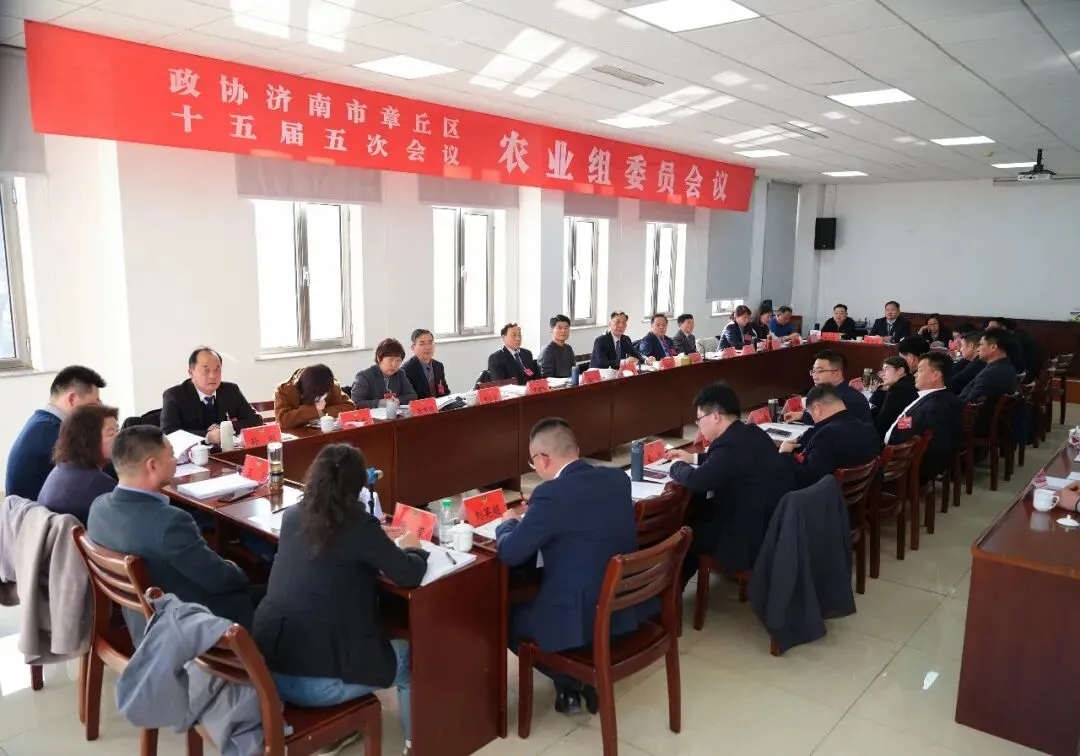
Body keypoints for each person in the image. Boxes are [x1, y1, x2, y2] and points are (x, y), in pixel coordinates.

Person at [253, 444, 428, 755]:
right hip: (315, 684)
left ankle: (339, 731)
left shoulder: (292, 516)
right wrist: (414, 548)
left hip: (267, 669)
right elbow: (408, 574)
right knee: (409, 657)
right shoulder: (358, 524)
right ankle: (418, 746)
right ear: (358, 485)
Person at [497, 419, 646, 715]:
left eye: (533, 463)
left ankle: (572, 678)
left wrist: (508, 523)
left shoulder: (550, 495)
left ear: (542, 459)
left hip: (582, 616)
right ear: (575, 450)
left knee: (506, 618)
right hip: (621, 607)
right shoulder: (616, 479)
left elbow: (510, 553)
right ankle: (570, 684)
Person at [87, 425, 255, 641]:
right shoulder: (170, 523)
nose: (175, 461)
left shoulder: (98, 508)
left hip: (142, 623)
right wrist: (238, 569)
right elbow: (221, 580)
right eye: (172, 455)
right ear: (152, 465)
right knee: (272, 594)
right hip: (193, 627)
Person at [665, 383, 795, 584]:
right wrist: (693, 458)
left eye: (699, 419)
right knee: (697, 512)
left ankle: (669, 592)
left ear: (715, 416)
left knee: (685, 532)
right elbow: (730, 461)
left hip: (745, 539)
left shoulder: (728, 446)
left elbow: (696, 481)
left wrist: (676, 465)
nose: (699, 426)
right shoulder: (752, 433)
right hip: (770, 525)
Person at [5, 365, 106, 501]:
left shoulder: (41, 423)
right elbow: (96, 471)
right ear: (72, 399)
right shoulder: (52, 430)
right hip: (37, 513)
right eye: (93, 405)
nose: (97, 412)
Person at [779, 386, 881, 488]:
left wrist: (785, 454)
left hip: (831, 495)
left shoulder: (826, 436)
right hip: (860, 491)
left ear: (817, 409)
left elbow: (806, 480)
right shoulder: (869, 429)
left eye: (810, 413)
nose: (813, 419)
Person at [885, 353, 964, 483]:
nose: (915, 374)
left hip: (900, 466)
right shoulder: (938, 397)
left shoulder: (935, 408)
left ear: (936, 375)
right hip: (897, 453)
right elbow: (908, 424)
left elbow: (935, 449)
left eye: (920, 370)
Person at [37, 404, 119, 524]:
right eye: (111, 433)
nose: (119, 437)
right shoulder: (98, 484)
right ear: (86, 441)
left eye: (118, 430)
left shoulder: (61, 469)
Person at [161, 347, 262, 444]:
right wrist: (208, 436)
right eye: (206, 370)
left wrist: (226, 428)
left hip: (226, 450)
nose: (212, 376)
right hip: (193, 453)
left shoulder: (231, 390)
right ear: (191, 373)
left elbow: (255, 419)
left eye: (217, 370)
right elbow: (168, 432)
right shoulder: (174, 396)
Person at [784, 349, 871, 424]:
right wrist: (801, 415)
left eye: (820, 371)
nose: (814, 376)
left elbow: (826, 421)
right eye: (813, 371)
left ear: (837, 374)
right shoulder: (841, 391)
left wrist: (802, 416)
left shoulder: (842, 399)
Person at [959, 328, 1019, 436]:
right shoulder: (1005, 367)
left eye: (981, 345)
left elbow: (970, 403)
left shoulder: (993, 373)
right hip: (985, 419)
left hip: (977, 424)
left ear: (993, 347)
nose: (978, 349)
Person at [273, 364, 355, 430]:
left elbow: (350, 407)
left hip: (323, 433)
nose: (321, 398)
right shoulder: (284, 390)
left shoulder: (330, 385)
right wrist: (316, 410)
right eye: (317, 395)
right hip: (295, 435)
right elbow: (282, 420)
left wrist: (323, 412)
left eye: (323, 394)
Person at [351, 338, 419, 408]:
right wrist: (381, 403)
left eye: (398, 360)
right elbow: (356, 403)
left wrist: (395, 401)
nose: (394, 365)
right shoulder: (363, 377)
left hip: (395, 414)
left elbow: (412, 396)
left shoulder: (400, 374)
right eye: (390, 359)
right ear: (379, 358)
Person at [867, 357, 919, 439]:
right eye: (882, 370)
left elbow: (881, 422)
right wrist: (882, 389)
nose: (882, 374)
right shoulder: (908, 383)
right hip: (902, 432)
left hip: (892, 437)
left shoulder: (899, 390)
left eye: (886, 369)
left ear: (900, 371)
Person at [401, 328, 451, 400]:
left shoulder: (438, 366)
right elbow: (410, 398)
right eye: (422, 344)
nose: (427, 347)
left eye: (430, 343)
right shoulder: (406, 370)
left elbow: (445, 392)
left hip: (440, 405)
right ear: (413, 348)